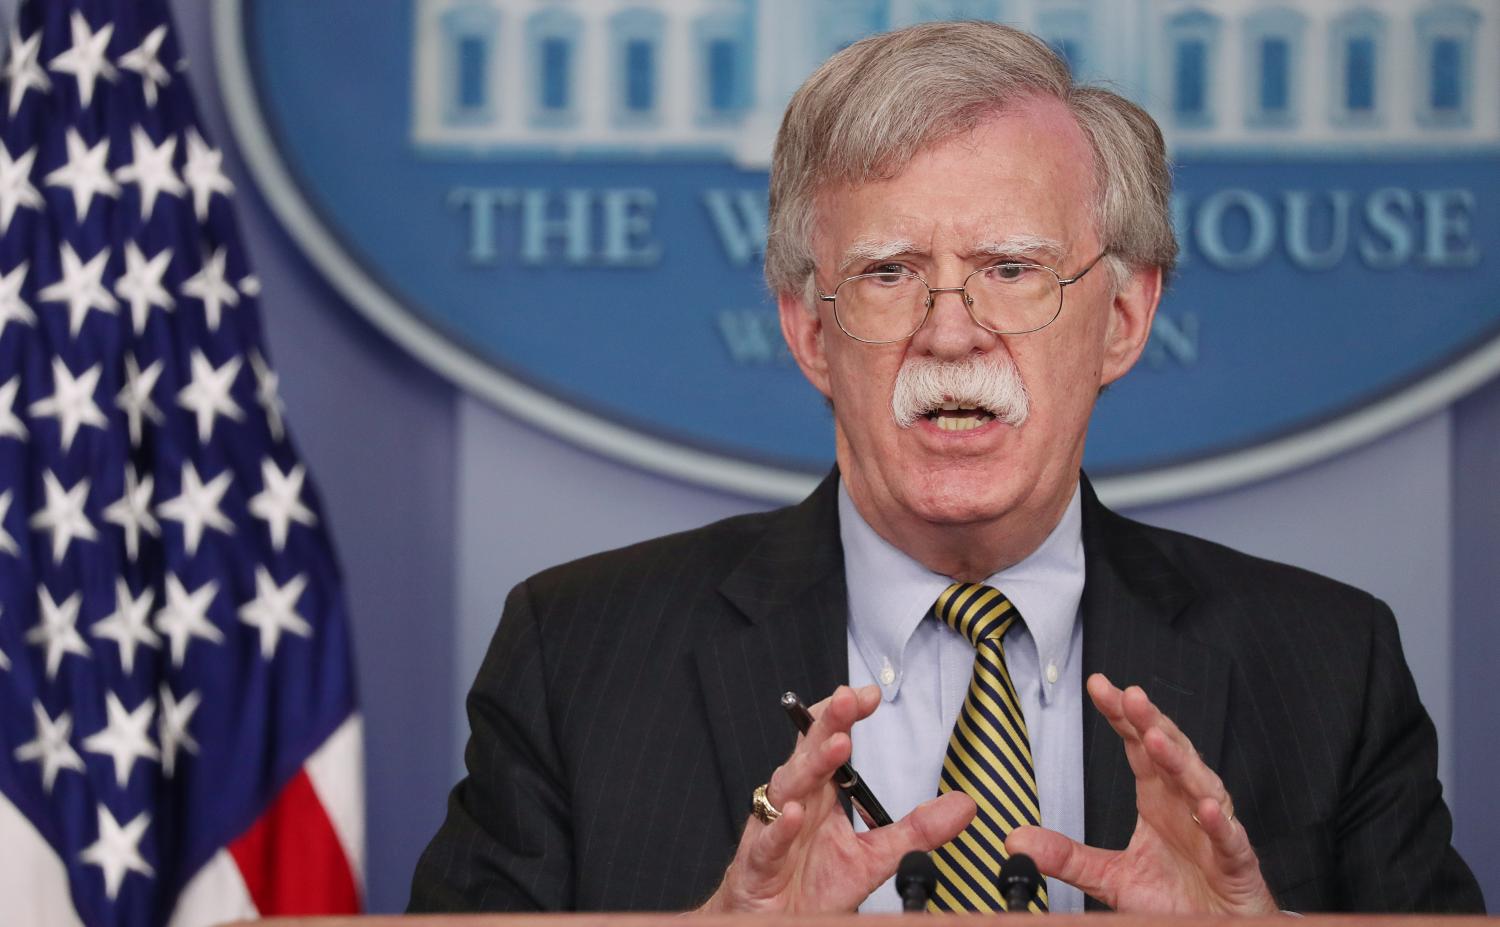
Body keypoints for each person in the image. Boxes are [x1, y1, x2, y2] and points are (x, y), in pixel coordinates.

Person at [409, 22, 1483, 915]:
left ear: (1122, 314)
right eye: (889, 273)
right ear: (810, 328)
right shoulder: (578, 655)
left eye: (1012, 270)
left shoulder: (1331, 666)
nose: (952, 331)